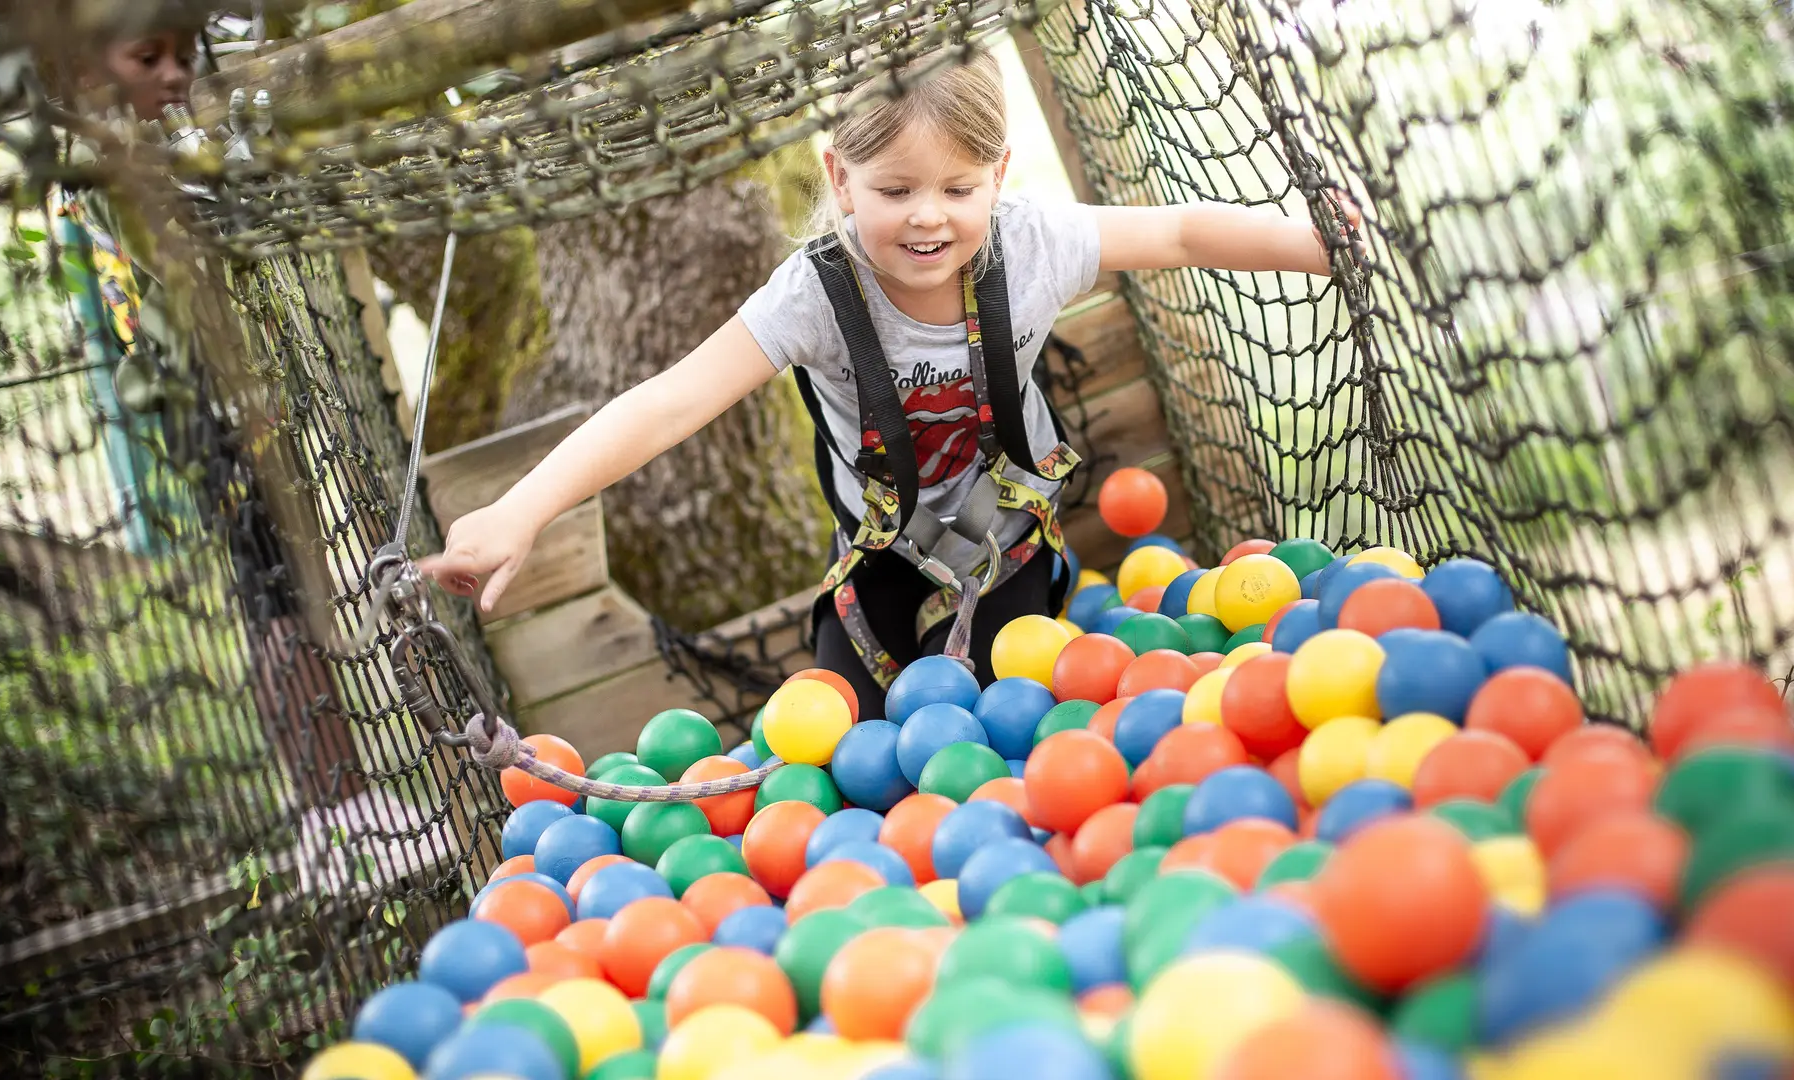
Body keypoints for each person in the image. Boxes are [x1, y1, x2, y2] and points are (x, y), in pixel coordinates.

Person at [419, 48, 1362, 719]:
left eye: (958, 189)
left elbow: (1182, 234)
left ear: (1000, 174)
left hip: (1008, 538)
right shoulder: (815, 294)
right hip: (880, 550)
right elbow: (668, 400)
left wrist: (1322, 245)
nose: (928, 219)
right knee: (852, 733)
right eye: (894, 189)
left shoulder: (1034, 243)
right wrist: (520, 511)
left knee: (1009, 713)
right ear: (839, 178)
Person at [55, 4, 440, 892]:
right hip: (202, 407)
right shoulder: (105, 149)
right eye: (145, 57)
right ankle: (334, 816)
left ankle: (339, 809)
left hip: (214, 396)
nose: (172, 74)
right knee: (271, 599)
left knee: (285, 591)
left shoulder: (127, 142)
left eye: (181, 55)